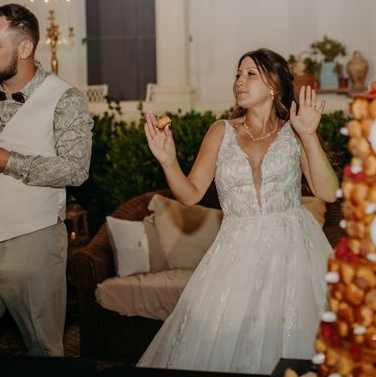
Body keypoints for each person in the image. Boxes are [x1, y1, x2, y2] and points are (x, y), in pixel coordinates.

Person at [138, 48, 338, 374]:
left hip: (294, 252)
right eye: (237, 75)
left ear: (274, 84)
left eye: (250, 74)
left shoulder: (294, 132)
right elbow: (190, 195)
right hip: (236, 251)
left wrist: (310, 135)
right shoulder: (221, 131)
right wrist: (168, 160)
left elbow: (328, 192)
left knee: (294, 338)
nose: (239, 83)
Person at [0, 3, 93, 356]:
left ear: (24, 48)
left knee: (44, 350)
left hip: (34, 245)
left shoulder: (65, 98)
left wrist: (10, 162)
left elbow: (76, 169)